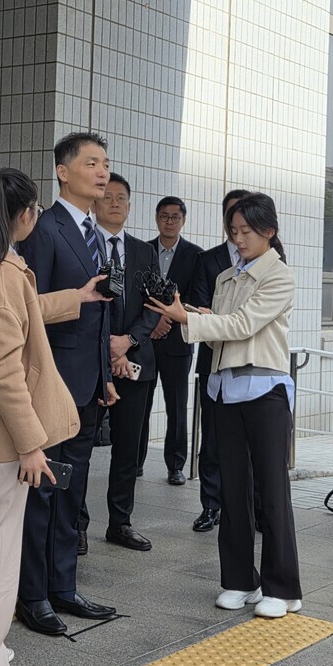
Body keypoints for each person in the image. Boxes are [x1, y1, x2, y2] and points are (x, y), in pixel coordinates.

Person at [0, 167, 107, 666]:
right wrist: (32, 445)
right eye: (33, 209)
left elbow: (18, 317)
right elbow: (6, 371)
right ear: (23, 215)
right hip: (0, 439)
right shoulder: (6, 273)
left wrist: (73, 297)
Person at [145, 192, 302, 619]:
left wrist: (188, 319)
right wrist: (193, 315)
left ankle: (283, 587)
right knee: (232, 491)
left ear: (268, 231)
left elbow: (244, 325)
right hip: (225, 390)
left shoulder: (280, 276)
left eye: (247, 231)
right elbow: (218, 337)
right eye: (233, 232)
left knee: (270, 491)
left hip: (265, 390)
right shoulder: (227, 277)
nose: (239, 239)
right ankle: (239, 580)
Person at [16, 132, 119, 635]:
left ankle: (63, 586)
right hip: (50, 386)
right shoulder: (45, 229)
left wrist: (104, 377)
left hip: (86, 388)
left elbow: (97, 312)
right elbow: (28, 314)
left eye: (105, 164)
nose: (102, 172)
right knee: (43, 493)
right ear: (63, 171)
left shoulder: (96, 232)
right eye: (91, 163)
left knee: (70, 494)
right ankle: (31, 595)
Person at [82, 171, 159, 551]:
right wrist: (105, 348)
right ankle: (76, 525)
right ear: (94, 204)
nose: (114, 203)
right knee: (79, 446)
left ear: (129, 206)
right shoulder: (83, 245)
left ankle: (120, 522)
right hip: (90, 363)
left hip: (135, 359)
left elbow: (155, 306)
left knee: (128, 448)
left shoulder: (145, 251)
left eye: (121, 198)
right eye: (107, 197)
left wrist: (126, 342)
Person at [190, 189, 250, 532]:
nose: (236, 226)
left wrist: (220, 317)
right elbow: (199, 305)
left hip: (249, 362)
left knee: (247, 440)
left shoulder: (268, 263)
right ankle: (210, 505)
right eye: (231, 217)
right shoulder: (208, 259)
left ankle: (245, 506)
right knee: (211, 438)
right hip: (213, 357)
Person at [138, 196, 203, 485]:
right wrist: (153, 322)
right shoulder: (142, 251)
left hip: (177, 342)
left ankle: (175, 465)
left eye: (175, 217)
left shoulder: (195, 256)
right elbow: (135, 294)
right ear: (156, 218)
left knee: (177, 405)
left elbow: (197, 300)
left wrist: (170, 320)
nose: (169, 221)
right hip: (144, 340)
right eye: (164, 216)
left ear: (183, 220)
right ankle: (135, 461)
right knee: (140, 403)